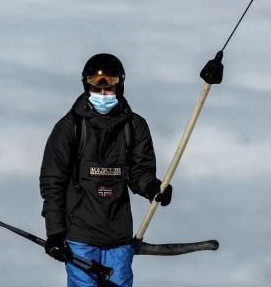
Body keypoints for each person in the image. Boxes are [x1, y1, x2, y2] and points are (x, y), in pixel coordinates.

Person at [39, 53, 172, 286]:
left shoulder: (135, 127)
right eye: (97, 88)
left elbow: (140, 173)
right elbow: (52, 182)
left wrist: (153, 188)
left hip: (119, 239)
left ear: (120, 86)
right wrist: (55, 232)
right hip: (80, 237)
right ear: (86, 85)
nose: (103, 94)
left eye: (109, 88)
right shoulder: (69, 128)